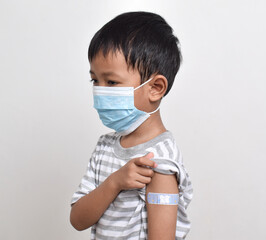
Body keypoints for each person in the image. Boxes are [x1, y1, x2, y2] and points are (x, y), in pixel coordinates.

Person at [69, 11, 193, 240]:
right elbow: (78, 219)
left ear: (155, 87)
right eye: (95, 80)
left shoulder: (160, 162)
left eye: (112, 81)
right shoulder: (105, 147)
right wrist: (114, 183)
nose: (100, 90)